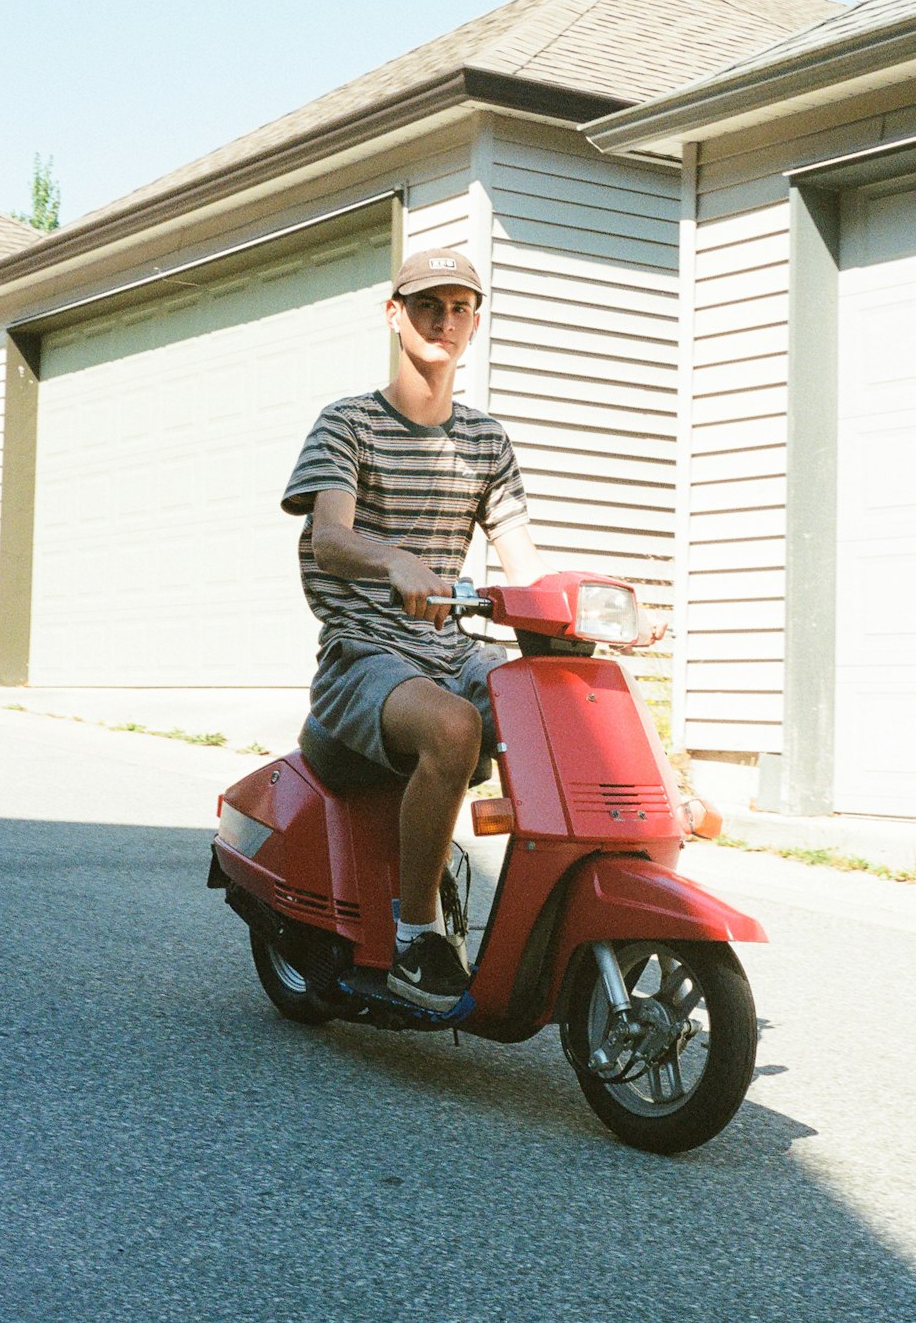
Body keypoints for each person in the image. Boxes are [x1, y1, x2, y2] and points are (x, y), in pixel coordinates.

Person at [282, 248, 662, 1013]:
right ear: (395, 314)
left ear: (475, 323)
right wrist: (392, 561)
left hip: (450, 647)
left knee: (570, 702)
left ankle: (570, 900)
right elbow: (329, 536)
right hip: (365, 653)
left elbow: (522, 563)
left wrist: (600, 611)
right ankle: (417, 931)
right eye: (427, 304)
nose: (443, 320)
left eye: (459, 307)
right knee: (454, 727)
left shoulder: (487, 441)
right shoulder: (347, 423)